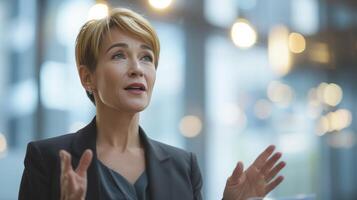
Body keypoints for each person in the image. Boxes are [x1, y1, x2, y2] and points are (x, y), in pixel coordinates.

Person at [18, 7, 286, 200]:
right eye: (119, 55)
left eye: (146, 58)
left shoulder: (183, 166)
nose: (137, 69)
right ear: (87, 77)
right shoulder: (48, 160)